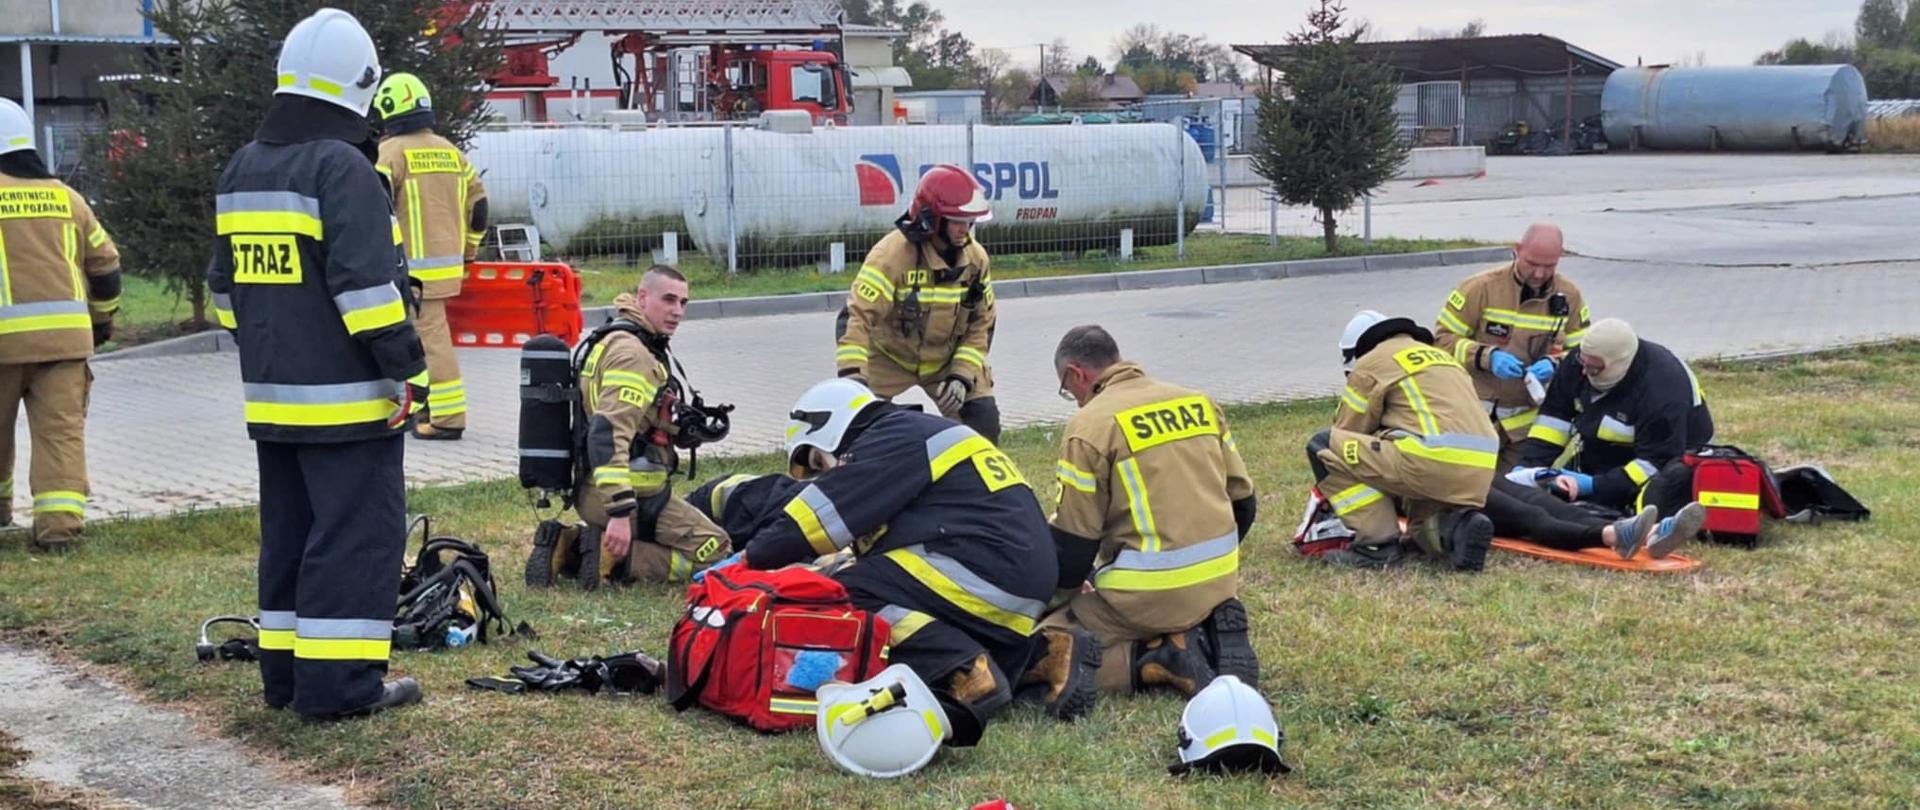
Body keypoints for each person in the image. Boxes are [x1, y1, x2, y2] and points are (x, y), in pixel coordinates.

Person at [205, 9, 424, 720]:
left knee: (291, 539)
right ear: (360, 85)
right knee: (356, 538)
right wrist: (410, 370)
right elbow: (367, 293)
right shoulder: (343, 168)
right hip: (350, 402)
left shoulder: (245, 166)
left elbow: (223, 294)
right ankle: (341, 690)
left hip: (273, 402)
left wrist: (280, 350)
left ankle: (288, 681)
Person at [707, 378, 1099, 745]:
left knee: (846, 595)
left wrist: (749, 558)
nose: (823, 474)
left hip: (978, 573)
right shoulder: (920, 431)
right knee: (886, 587)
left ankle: (959, 669)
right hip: (1011, 588)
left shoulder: (888, 438)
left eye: (817, 463)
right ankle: (1046, 656)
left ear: (827, 431)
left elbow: (814, 521)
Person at [1042, 325, 1259, 697]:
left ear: (1076, 374)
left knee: (1039, 649)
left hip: (1144, 596)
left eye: (1068, 390)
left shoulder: (1090, 426)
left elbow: (1075, 545)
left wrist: (1053, 600)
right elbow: (1244, 502)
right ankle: (1197, 633)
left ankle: (1153, 659)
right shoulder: (1199, 403)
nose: (1074, 399)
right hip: (1221, 584)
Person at [0, 98, 122, 550]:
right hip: (66, 347)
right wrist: (102, 320)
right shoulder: (66, 198)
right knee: (61, 437)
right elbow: (106, 265)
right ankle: (59, 532)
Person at [571, 266, 731, 586]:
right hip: (626, 496)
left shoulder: (617, 336)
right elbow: (608, 431)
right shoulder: (633, 354)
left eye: (683, 303)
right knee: (716, 550)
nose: (677, 311)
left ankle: (570, 545)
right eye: (668, 300)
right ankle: (607, 558)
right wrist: (618, 513)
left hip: (598, 486)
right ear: (642, 297)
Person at [1307, 311, 1500, 571]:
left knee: (1324, 445)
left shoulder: (1371, 363)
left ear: (1355, 354)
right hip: (1480, 471)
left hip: (1428, 462)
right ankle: (1459, 528)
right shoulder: (1442, 358)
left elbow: (1347, 431)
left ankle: (1378, 545)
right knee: (1420, 531)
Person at [834, 165, 1001, 442]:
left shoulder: (976, 260)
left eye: (970, 221)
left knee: (983, 422)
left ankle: (967, 481)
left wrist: (960, 376)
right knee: (853, 429)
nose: (966, 230)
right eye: (957, 221)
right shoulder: (891, 256)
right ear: (930, 219)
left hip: (946, 361)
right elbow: (857, 318)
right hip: (889, 357)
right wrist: (854, 382)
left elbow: (982, 325)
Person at [372, 73, 488, 440]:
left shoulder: (389, 154)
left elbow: (373, 207)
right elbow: (480, 207)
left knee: (429, 342)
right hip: (444, 267)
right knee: (420, 340)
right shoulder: (452, 152)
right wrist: (468, 251)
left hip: (404, 271)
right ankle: (418, 406)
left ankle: (448, 418)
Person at [1511, 318, 1715, 519]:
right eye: (1583, 363)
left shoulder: (1663, 387)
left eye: (1593, 368)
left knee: (1635, 507)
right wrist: (1529, 468)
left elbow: (1655, 462)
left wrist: (1594, 485)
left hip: (1667, 460)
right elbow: (1553, 420)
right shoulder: (1580, 362)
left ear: (1618, 364)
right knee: (1557, 496)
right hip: (1603, 453)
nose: (1584, 372)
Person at [1432, 223, 1592, 468]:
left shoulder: (1569, 296)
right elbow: (1442, 341)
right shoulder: (1480, 288)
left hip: (1524, 427)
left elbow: (1583, 353)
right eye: (1532, 263)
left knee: (1514, 497)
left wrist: (1554, 363)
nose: (1539, 274)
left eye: (1549, 266)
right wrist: (1486, 356)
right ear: (1517, 250)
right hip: (1474, 420)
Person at [1483, 476, 1705, 560]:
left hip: (1476, 471)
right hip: (1452, 494)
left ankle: (1652, 534)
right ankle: (1612, 537)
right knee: (1530, 515)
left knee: (1561, 508)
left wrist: (1541, 474)